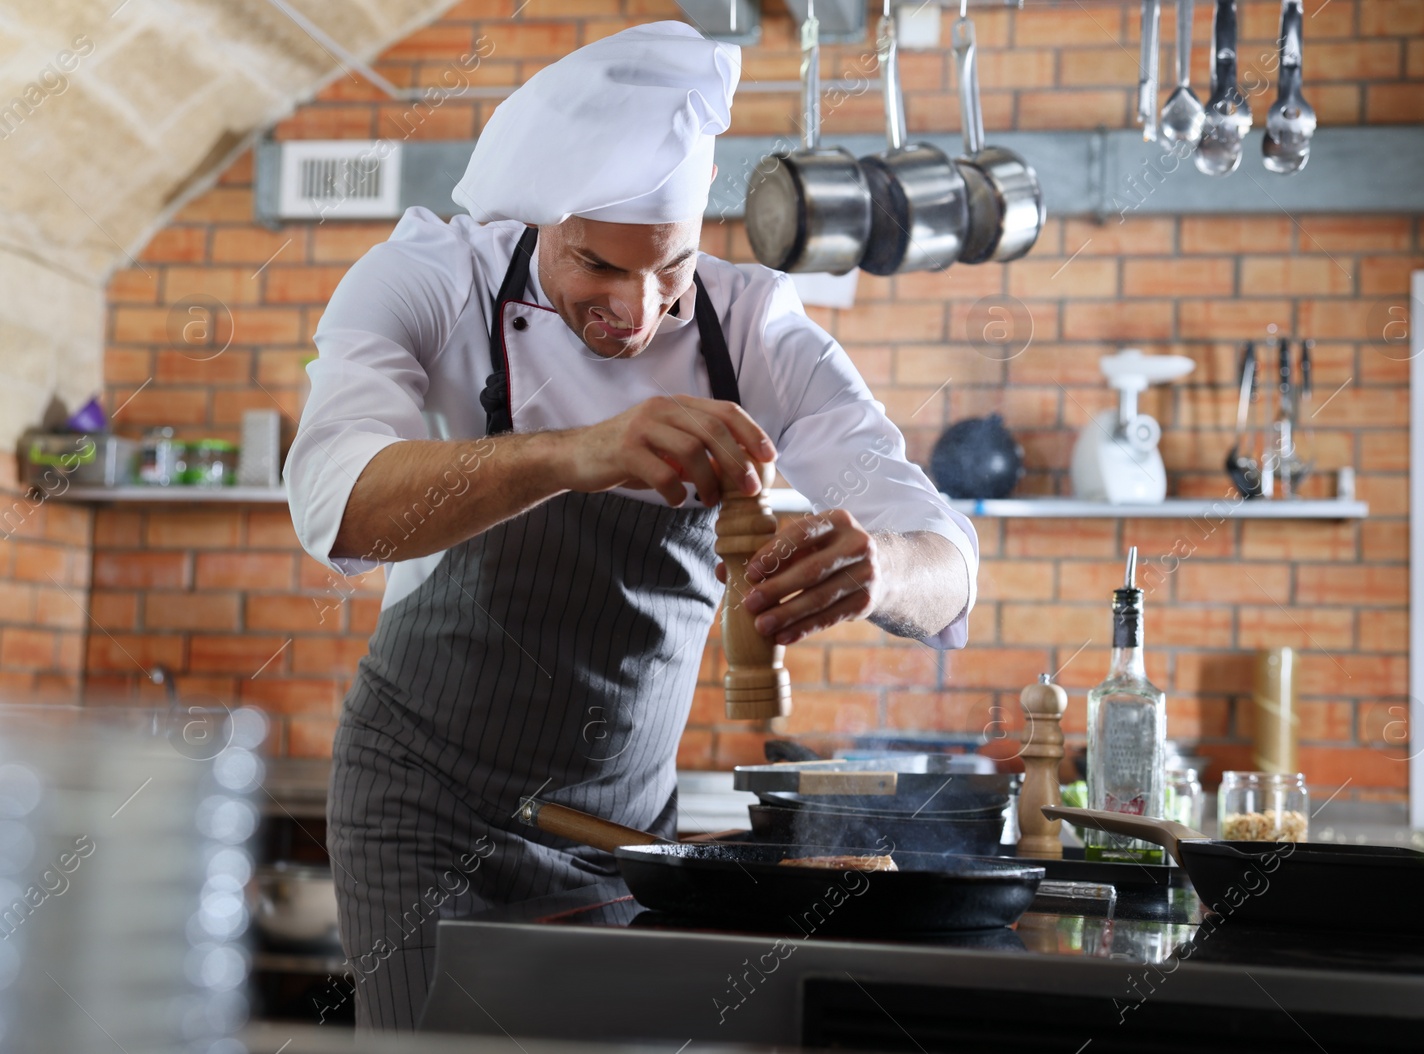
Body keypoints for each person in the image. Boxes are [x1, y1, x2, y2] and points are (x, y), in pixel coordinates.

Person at [285, 20, 977, 1030]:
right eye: (598, 266)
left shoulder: (755, 327)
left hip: (621, 828)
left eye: (673, 269)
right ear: (539, 221)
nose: (640, 309)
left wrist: (882, 567)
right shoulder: (432, 280)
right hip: (422, 808)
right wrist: (575, 453)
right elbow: (336, 503)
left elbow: (948, 561)